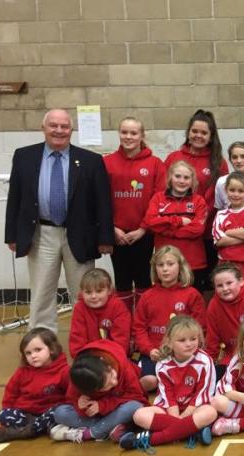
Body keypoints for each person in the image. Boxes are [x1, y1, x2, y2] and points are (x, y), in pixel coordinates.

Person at [4, 108, 114, 332]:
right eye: (53, 125)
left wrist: (105, 237)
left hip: (80, 235)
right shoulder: (24, 156)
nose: (59, 130)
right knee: (42, 291)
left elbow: (103, 202)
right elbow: (14, 197)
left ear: (71, 131)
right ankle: (42, 344)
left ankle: (88, 340)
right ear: (43, 128)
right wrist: (12, 234)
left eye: (64, 126)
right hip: (41, 234)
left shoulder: (91, 161)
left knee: (85, 293)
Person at [119, 316, 217, 451]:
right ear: (170, 342)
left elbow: (201, 395)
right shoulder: (163, 364)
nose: (189, 344)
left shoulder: (205, 361)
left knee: (211, 412)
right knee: (139, 415)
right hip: (170, 410)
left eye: (193, 339)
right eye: (182, 340)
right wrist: (180, 420)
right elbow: (169, 398)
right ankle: (193, 432)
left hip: (195, 408)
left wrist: (184, 416)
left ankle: (149, 440)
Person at [163, 110, 229, 292]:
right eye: (194, 131)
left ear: (211, 136)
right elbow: (163, 193)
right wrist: (177, 223)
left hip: (205, 232)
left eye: (204, 132)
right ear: (188, 132)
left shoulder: (218, 162)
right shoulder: (173, 158)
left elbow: (219, 197)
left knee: (206, 282)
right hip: (176, 233)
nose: (198, 136)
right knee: (175, 279)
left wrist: (198, 219)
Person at [103, 116, 162, 312]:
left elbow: (158, 200)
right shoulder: (107, 162)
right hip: (117, 234)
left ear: (142, 135)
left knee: (144, 279)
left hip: (144, 234)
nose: (128, 137)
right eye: (124, 132)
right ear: (119, 134)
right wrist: (112, 227)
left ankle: (143, 324)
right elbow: (101, 199)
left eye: (133, 133)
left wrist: (143, 229)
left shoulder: (155, 164)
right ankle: (125, 327)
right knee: (122, 281)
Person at [132, 246, 206, 391]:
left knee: (189, 382)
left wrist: (184, 349)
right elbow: (138, 328)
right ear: (155, 269)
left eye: (170, 264)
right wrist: (149, 350)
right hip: (155, 354)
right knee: (149, 381)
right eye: (160, 265)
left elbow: (199, 327)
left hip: (184, 353)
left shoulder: (192, 294)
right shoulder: (147, 296)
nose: (165, 269)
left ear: (180, 266)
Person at [50, 339, 148, 443]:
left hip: (118, 409)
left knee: (134, 406)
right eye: (107, 386)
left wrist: (102, 405)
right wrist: (80, 405)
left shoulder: (121, 364)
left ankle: (90, 433)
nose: (114, 382)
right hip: (100, 416)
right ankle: (110, 427)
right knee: (60, 413)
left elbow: (137, 397)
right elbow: (71, 400)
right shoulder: (80, 376)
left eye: (112, 375)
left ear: (108, 366)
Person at [0, 328, 70, 443]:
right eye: (28, 353)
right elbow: (10, 394)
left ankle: (27, 431)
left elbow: (70, 397)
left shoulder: (64, 371)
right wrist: (4, 424)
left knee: (58, 412)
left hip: (49, 414)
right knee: (3, 414)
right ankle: (35, 428)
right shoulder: (22, 372)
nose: (33, 356)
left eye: (38, 350)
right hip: (26, 415)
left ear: (52, 349)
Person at [143, 160, 208, 288]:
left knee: (192, 303)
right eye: (177, 176)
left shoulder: (199, 201)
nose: (182, 181)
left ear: (192, 181)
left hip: (193, 263)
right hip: (165, 264)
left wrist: (166, 231)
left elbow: (197, 229)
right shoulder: (158, 198)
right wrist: (179, 221)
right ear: (170, 177)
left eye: (186, 177)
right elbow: (150, 222)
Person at [205, 262, 244, 376]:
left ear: (241, 281)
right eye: (219, 286)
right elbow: (212, 341)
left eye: (229, 283)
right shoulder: (214, 305)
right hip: (231, 358)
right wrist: (208, 366)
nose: (225, 288)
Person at [211, 172, 244, 295]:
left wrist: (228, 232)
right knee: (228, 297)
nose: (236, 194)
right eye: (232, 190)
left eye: (240, 191)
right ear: (226, 190)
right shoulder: (221, 214)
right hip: (226, 264)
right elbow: (219, 241)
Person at [68, 268, 131, 358]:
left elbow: (122, 341)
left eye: (99, 291)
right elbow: (77, 340)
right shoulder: (79, 308)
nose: (93, 296)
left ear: (109, 290)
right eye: (88, 292)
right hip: (87, 358)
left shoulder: (118, 306)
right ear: (82, 293)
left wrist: (108, 358)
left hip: (113, 357)